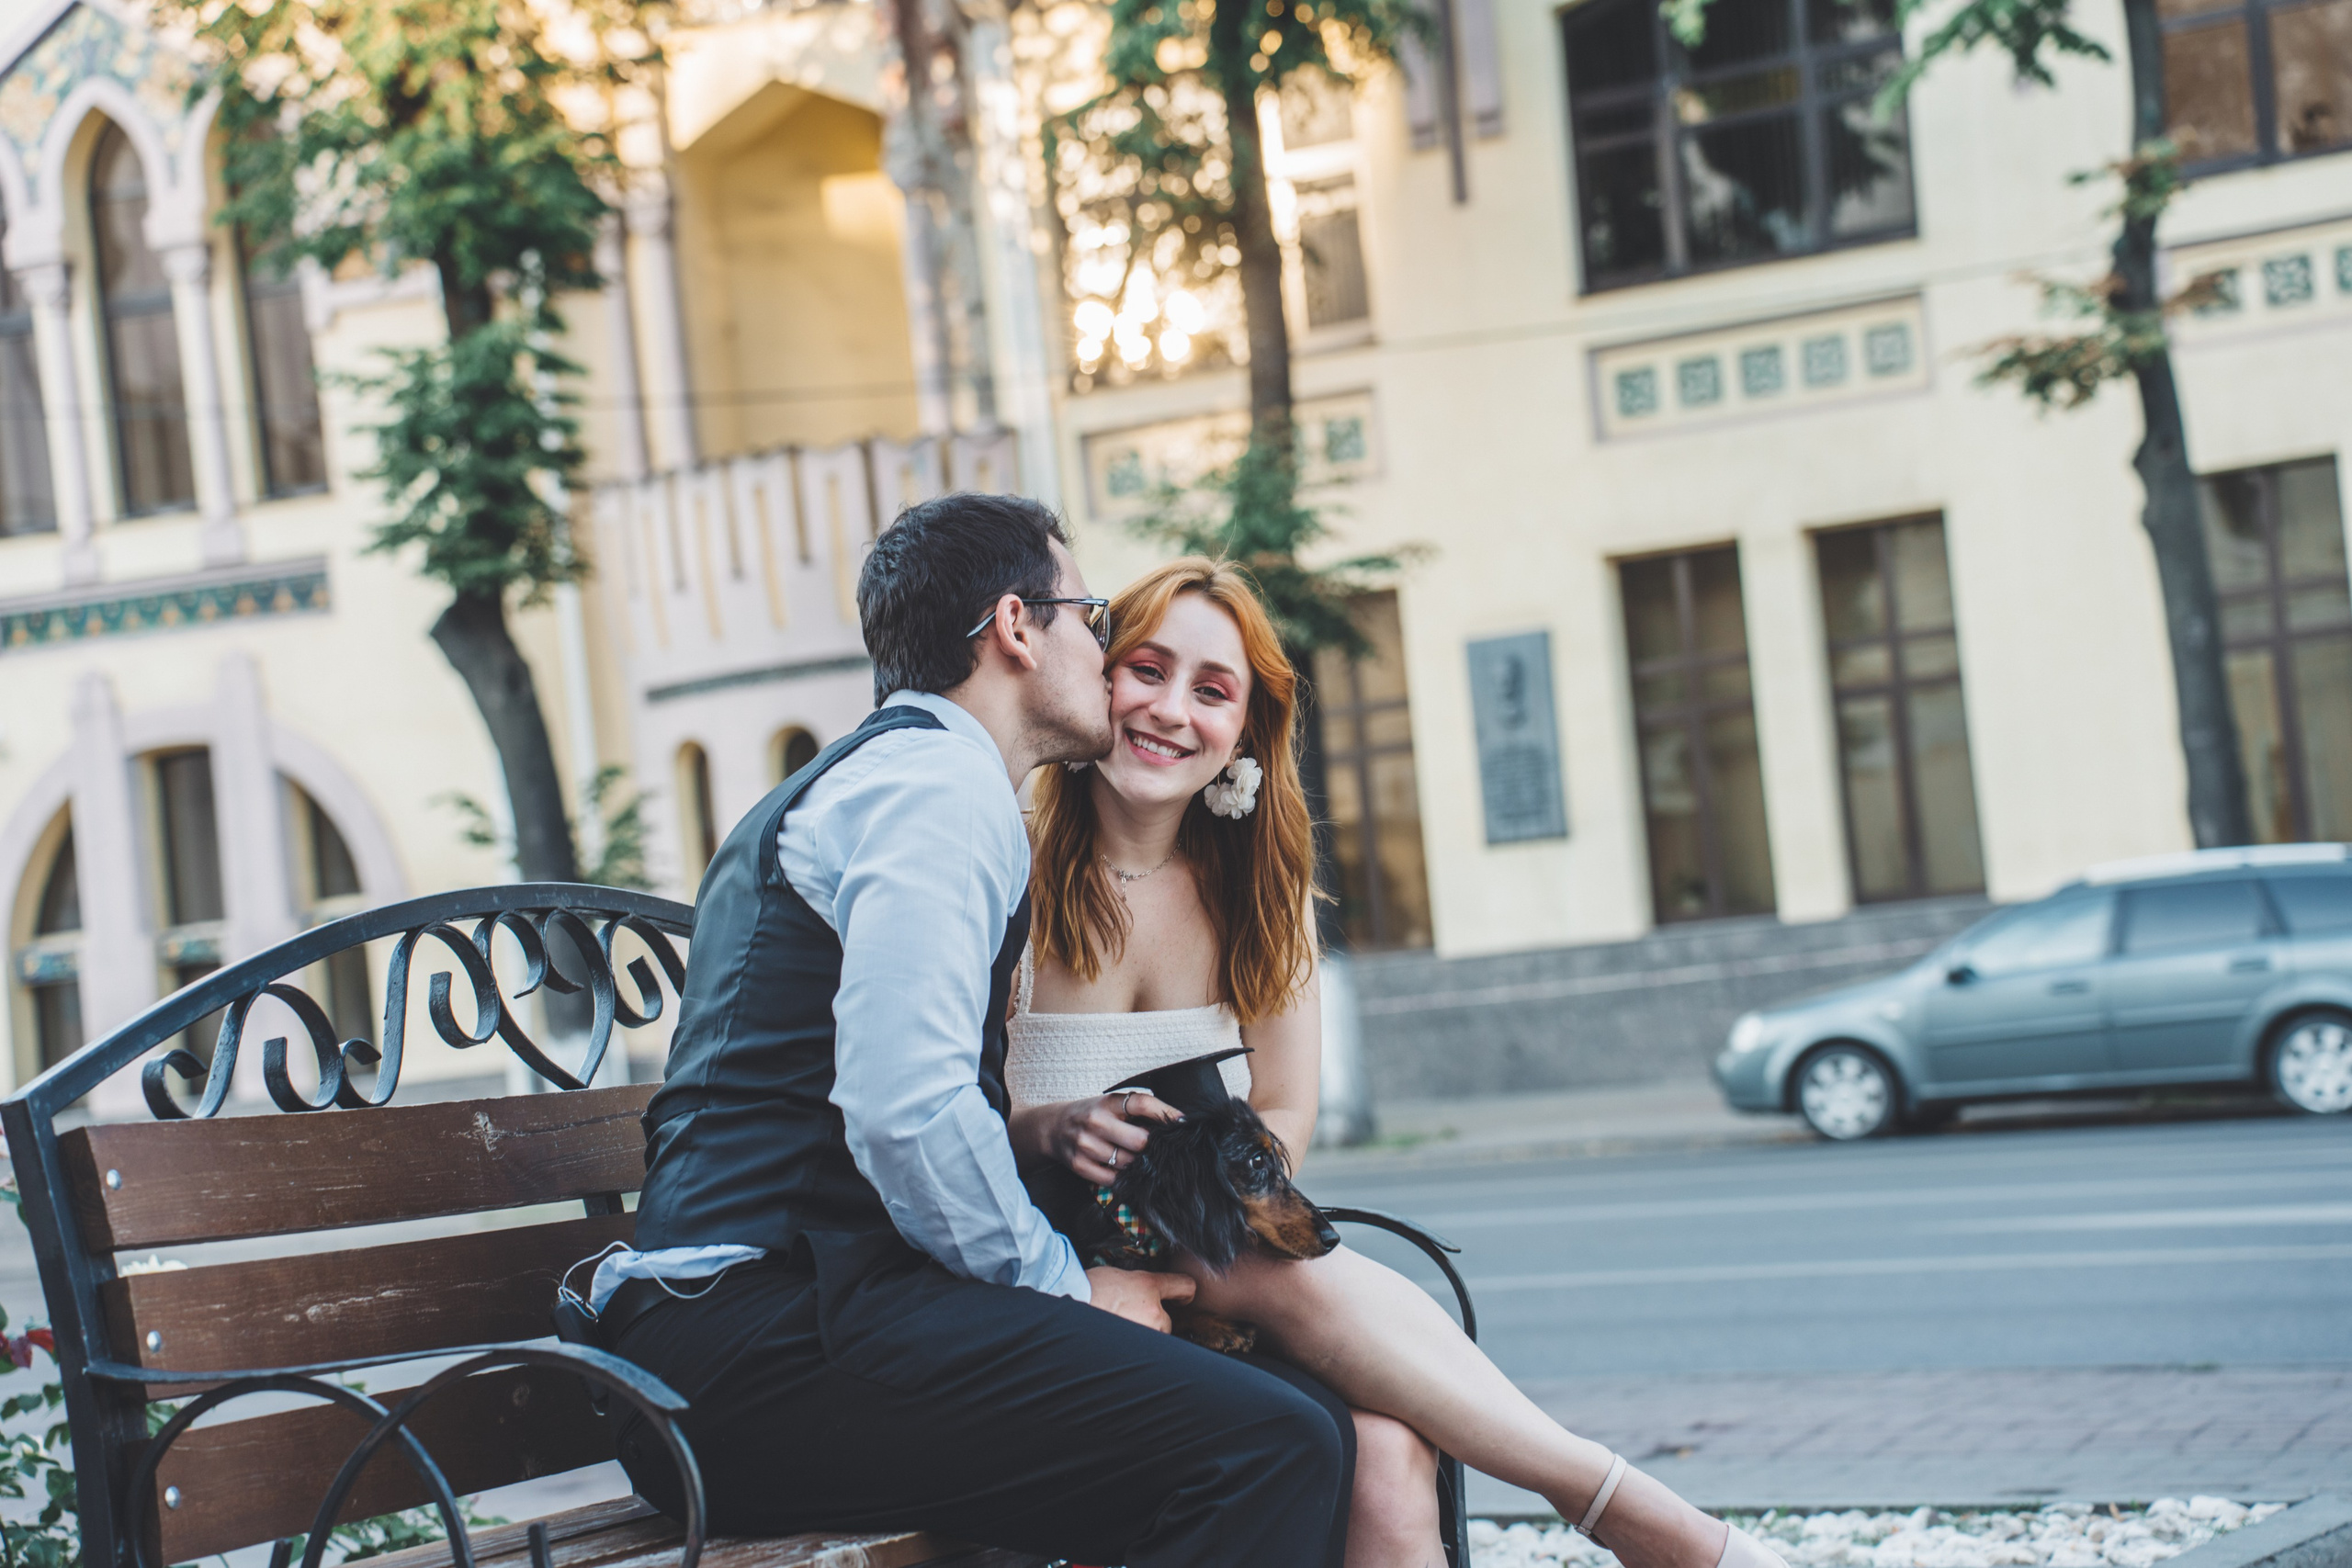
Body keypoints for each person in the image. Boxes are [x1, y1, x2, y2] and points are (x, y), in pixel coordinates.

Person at [599, 497, 1361, 1567]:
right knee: (1273, 1443)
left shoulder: (902, 777)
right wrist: (1066, 1292)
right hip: (743, 1353)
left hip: (768, 1331)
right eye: (1089, 621)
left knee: (1295, 1426)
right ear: (1015, 627)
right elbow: (907, 1112)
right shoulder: (938, 789)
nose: (1101, 656)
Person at [1007, 557, 1792, 1568]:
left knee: (1385, 1446)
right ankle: (1628, 1512)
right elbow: (941, 1119)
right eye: (1145, 670)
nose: (1167, 710)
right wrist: (1091, 1232)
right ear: (1095, 676)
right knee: (1286, 1299)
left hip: (1215, 1270)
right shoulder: (1007, 873)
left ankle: (1627, 1512)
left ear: (1245, 734)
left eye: (1211, 691)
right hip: (1041, 1271)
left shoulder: (1259, 894)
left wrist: (1189, 1233)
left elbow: (1283, 1111)